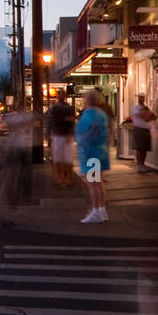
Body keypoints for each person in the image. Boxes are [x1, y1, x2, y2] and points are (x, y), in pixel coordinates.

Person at [76, 89, 110, 223]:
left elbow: (81, 133)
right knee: (99, 182)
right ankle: (102, 210)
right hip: (101, 151)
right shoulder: (102, 114)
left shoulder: (88, 115)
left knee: (92, 183)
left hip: (90, 153)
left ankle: (96, 211)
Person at [46, 95, 76, 188]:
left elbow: (49, 122)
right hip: (68, 135)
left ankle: (59, 178)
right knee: (68, 158)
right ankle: (69, 178)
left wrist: (48, 135)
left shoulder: (54, 108)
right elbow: (72, 121)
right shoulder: (70, 108)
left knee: (58, 158)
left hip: (57, 134)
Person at [130, 93, 156, 173]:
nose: (142, 99)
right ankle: (139, 165)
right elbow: (143, 116)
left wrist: (148, 115)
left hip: (146, 129)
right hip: (139, 129)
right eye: (140, 97)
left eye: (143, 97)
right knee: (140, 148)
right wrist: (148, 115)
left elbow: (153, 116)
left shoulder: (146, 108)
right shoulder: (135, 108)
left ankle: (143, 164)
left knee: (144, 149)